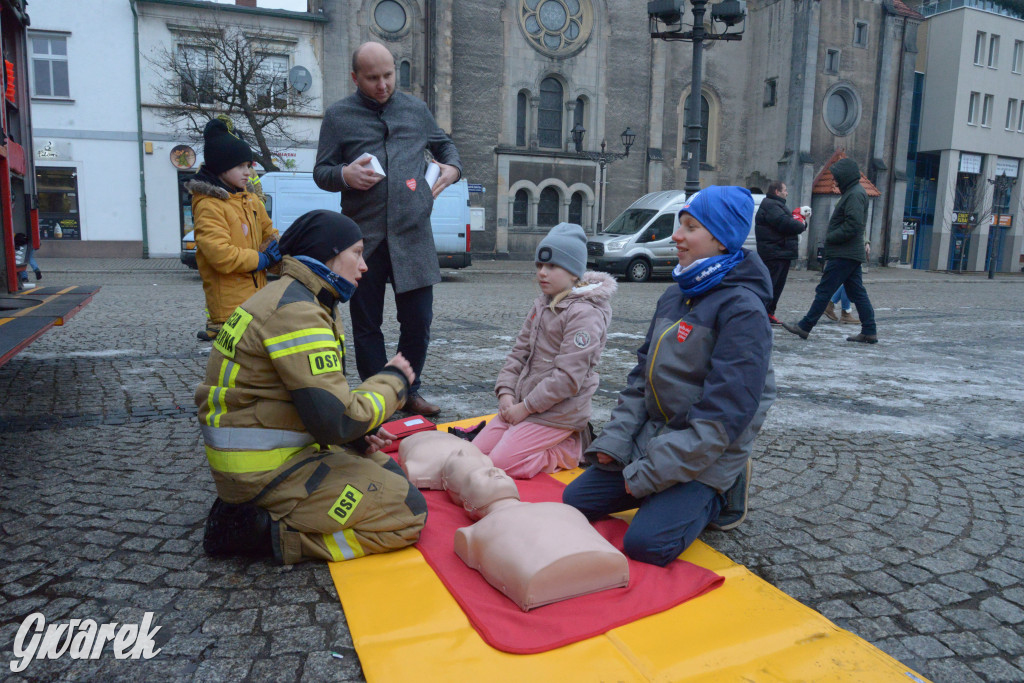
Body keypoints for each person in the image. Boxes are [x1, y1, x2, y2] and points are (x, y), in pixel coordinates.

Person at [196, 210, 427, 565]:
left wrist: (354, 439)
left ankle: (258, 511)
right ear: (329, 253)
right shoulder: (297, 311)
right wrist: (393, 382)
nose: (364, 266)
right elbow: (338, 420)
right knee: (407, 511)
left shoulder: (298, 296)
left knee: (385, 468)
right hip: (264, 472)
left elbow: (309, 399)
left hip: (273, 455)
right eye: (357, 252)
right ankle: (263, 533)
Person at [562, 186, 776, 567]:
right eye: (680, 225)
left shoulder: (744, 311)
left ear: (721, 238)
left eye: (690, 227)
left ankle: (723, 492)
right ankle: (663, 489)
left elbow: (720, 422)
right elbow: (640, 380)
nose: (676, 235)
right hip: (658, 440)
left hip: (709, 451)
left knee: (647, 545)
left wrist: (646, 475)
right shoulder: (676, 295)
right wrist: (615, 446)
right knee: (573, 503)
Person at [314, 41, 462, 417]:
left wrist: (453, 169)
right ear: (355, 78)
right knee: (367, 325)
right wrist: (344, 175)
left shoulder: (415, 109)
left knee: (418, 322)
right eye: (372, 78)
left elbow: (445, 147)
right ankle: (377, 398)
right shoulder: (337, 116)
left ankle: (409, 390)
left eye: (388, 76)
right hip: (363, 240)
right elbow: (322, 172)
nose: (382, 85)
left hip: (413, 235)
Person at [473, 223, 616, 479]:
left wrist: (525, 408)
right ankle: (527, 434)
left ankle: (571, 448)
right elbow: (519, 353)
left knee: (500, 465)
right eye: (539, 266)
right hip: (525, 405)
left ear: (574, 273)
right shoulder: (542, 303)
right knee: (476, 455)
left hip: (558, 414)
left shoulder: (585, 314)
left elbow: (568, 379)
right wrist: (506, 393)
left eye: (552, 266)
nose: (542, 273)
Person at [188, 118, 280, 342]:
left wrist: (282, 251)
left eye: (248, 166)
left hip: (255, 305)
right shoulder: (209, 205)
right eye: (240, 166)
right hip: (228, 311)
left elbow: (270, 233)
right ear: (221, 166)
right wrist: (262, 259)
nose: (247, 172)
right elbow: (220, 255)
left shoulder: (250, 200)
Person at [780, 158, 878, 344]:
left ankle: (804, 327)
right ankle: (869, 330)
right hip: (848, 253)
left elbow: (854, 225)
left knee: (824, 291)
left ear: (846, 177)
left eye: (838, 178)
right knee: (857, 293)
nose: (836, 182)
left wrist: (831, 237)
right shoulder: (854, 192)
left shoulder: (855, 194)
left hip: (844, 253)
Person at [754, 180, 808, 325]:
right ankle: (761, 313)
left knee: (777, 286)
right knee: (771, 285)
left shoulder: (776, 205)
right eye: (785, 190)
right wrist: (801, 225)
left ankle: (769, 313)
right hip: (774, 253)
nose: (787, 192)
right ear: (777, 192)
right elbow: (784, 223)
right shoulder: (772, 205)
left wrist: (801, 222)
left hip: (780, 252)